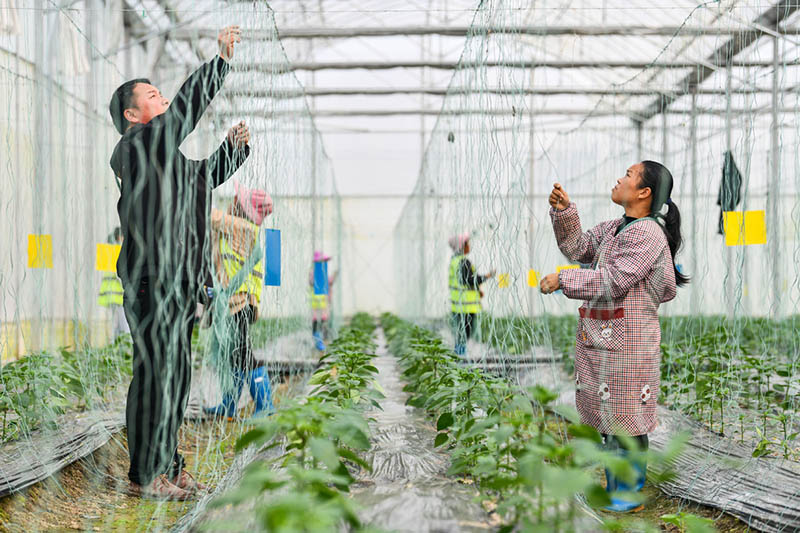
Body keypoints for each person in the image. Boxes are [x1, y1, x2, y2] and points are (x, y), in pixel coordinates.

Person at [109, 26, 250, 500]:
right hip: (152, 282)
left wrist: (234, 149)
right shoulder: (135, 148)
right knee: (155, 375)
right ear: (132, 115)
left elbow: (204, 177)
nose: (163, 97)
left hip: (179, 285)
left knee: (175, 376)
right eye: (152, 95)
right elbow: (185, 111)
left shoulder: (166, 160)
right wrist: (220, 64)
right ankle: (145, 475)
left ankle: (168, 465)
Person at [539, 161, 689, 512]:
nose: (619, 179)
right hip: (607, 341)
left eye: (628, 175)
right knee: (610, 417)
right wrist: (564, 212)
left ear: (644, 192)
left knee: (628, 421)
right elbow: (578, 248)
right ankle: (615, 487)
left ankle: (630, 492)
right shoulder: (616, 228)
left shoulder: (648, 234)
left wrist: (564, 279)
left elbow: (614, 279)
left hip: (630, 345)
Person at [204, 181, 274, 419]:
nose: (232, 201)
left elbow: (210, 216)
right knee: (234, 355)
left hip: (240, 303)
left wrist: (192, 190)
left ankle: (265, 404)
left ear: (243, 209)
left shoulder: (241, 227)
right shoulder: (240, 229)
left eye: (237, 200)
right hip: (237, 303)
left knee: (244, 354)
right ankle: (229, 404)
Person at [447, 233, 494, 356]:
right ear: (461, 246)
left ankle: (459, 353)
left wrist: (477, 291)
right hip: (466, 306)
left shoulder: (455, 260)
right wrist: (487, 276)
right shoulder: (463, 261)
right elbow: (469, 280)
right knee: (465, 332)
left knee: (461, 331)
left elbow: (462, 281)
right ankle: (460, 355)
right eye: (467, 243)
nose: (469, 245)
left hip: (458, 304)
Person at [97, 227, 130, 339]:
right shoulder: (116, 251)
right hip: (117, 294)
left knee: (117, 323)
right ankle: (122, 342)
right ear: (119, 237)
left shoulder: (107, 251)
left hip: (110, 294)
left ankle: (116, 341)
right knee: (122, 322)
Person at [309, 251, 337, 351]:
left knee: (323, 321)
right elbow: (313, 282)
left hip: (323, 303)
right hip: (316, 303)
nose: (324, 263)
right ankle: (317, 340)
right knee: (316, 322)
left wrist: (333, 276)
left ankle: (320, 340)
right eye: (323, 261)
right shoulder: (314, 272)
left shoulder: (321, 272)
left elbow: (329, 282)